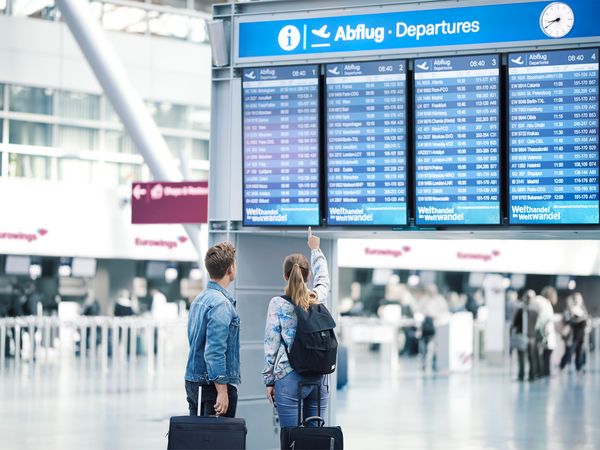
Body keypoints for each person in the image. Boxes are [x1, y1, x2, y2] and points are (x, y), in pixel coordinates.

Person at [263, 228, 330, 428]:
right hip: (318, 377)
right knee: (315, 440)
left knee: (290, 438)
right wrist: (315, 249)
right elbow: (324, 281)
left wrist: (269, 381)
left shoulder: (277, 304)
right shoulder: (315, 298)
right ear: (308, 275)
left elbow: (271, 346)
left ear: (285, 276)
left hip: (289, 377)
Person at [185, 242, 240, 417]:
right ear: (230, 268)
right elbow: (214, 351)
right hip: (212, 388)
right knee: (217, 441)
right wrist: (222, 392)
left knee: (198, 440)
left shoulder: (200, 299)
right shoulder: (221, 304)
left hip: (194, 382)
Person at [512, 289, 540, 381]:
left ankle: (521, 375)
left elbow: (515, 323)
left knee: (521, 358)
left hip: (522, 336)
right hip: (532, 336)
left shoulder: (521, 310)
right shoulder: (536, 310)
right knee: (532, 358)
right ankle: (532, 376)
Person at [560, 292, 590, 373]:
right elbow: (567, 320)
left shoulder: (582, 308)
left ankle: (579, 367)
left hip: (581, 333)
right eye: (577, 299)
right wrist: (577, 319)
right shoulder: (570, 308)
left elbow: (586, 318)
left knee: (580, 351)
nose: (578, 300)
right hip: (573, 334)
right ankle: (562, 365)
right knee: (570, 350)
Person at [536, 287, 558, 377]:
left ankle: (544, 371)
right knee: (546, 353)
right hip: (546, 332)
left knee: (546, 353)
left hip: (545, 331)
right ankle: (544, 371)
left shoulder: (543, 303)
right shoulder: (545, 304)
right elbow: (546, 319)